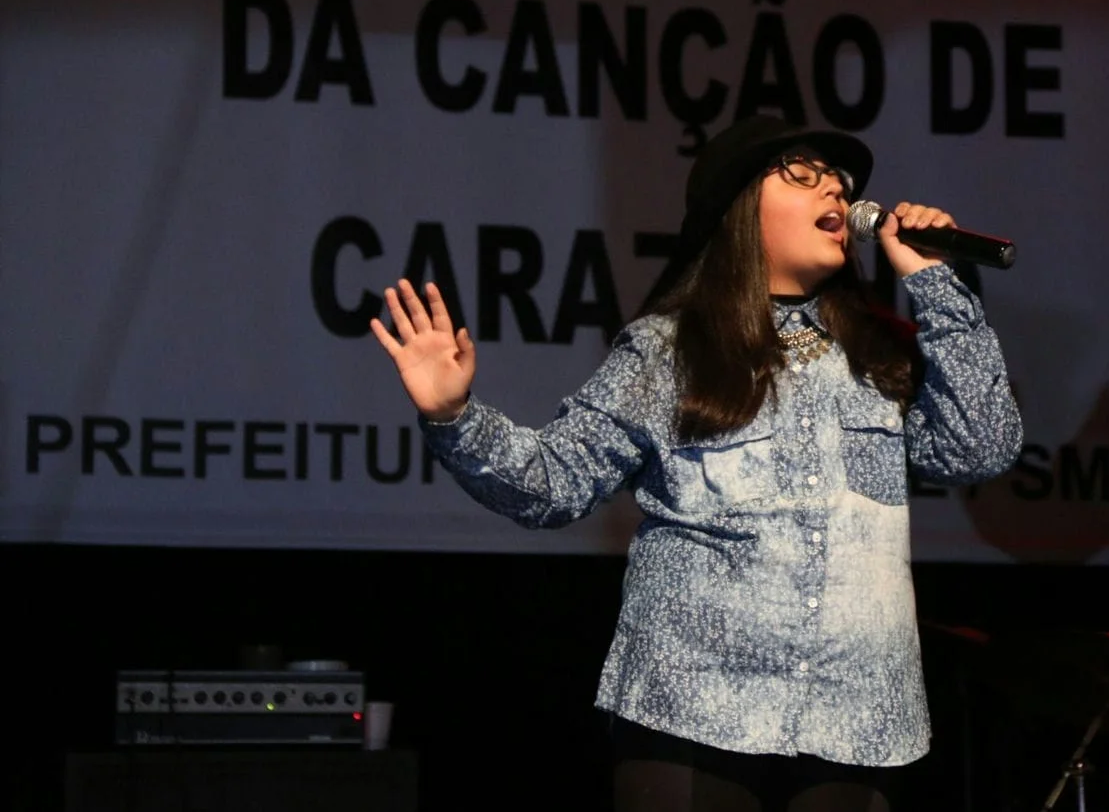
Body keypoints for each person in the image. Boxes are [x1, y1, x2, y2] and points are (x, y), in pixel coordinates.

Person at [370, 115, 1024, 812]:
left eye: (839, 179)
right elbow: (553, 484)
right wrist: (454, 415)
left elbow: (979, 448)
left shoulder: (879, 352)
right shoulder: (668, 350)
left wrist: (935, 282)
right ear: (739, 206)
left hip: (856, 719)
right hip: (695, 708)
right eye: (803, 174)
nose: (835, 187)